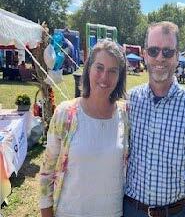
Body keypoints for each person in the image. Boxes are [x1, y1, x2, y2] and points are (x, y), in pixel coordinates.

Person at [124, 21, 185, 217]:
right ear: (145, 55)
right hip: (131, 209)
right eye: (153, 51)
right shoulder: (129, 101)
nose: (160, 58)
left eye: (167, 52)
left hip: (175, 212)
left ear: (177, 57)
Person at [39, 40, 128, 217]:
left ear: (120, 77)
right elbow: (47, 172)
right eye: (99, 68)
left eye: (113, 71)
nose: (104, 77)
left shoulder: (126, 116)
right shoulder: (65, 113)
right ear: (88, 69)